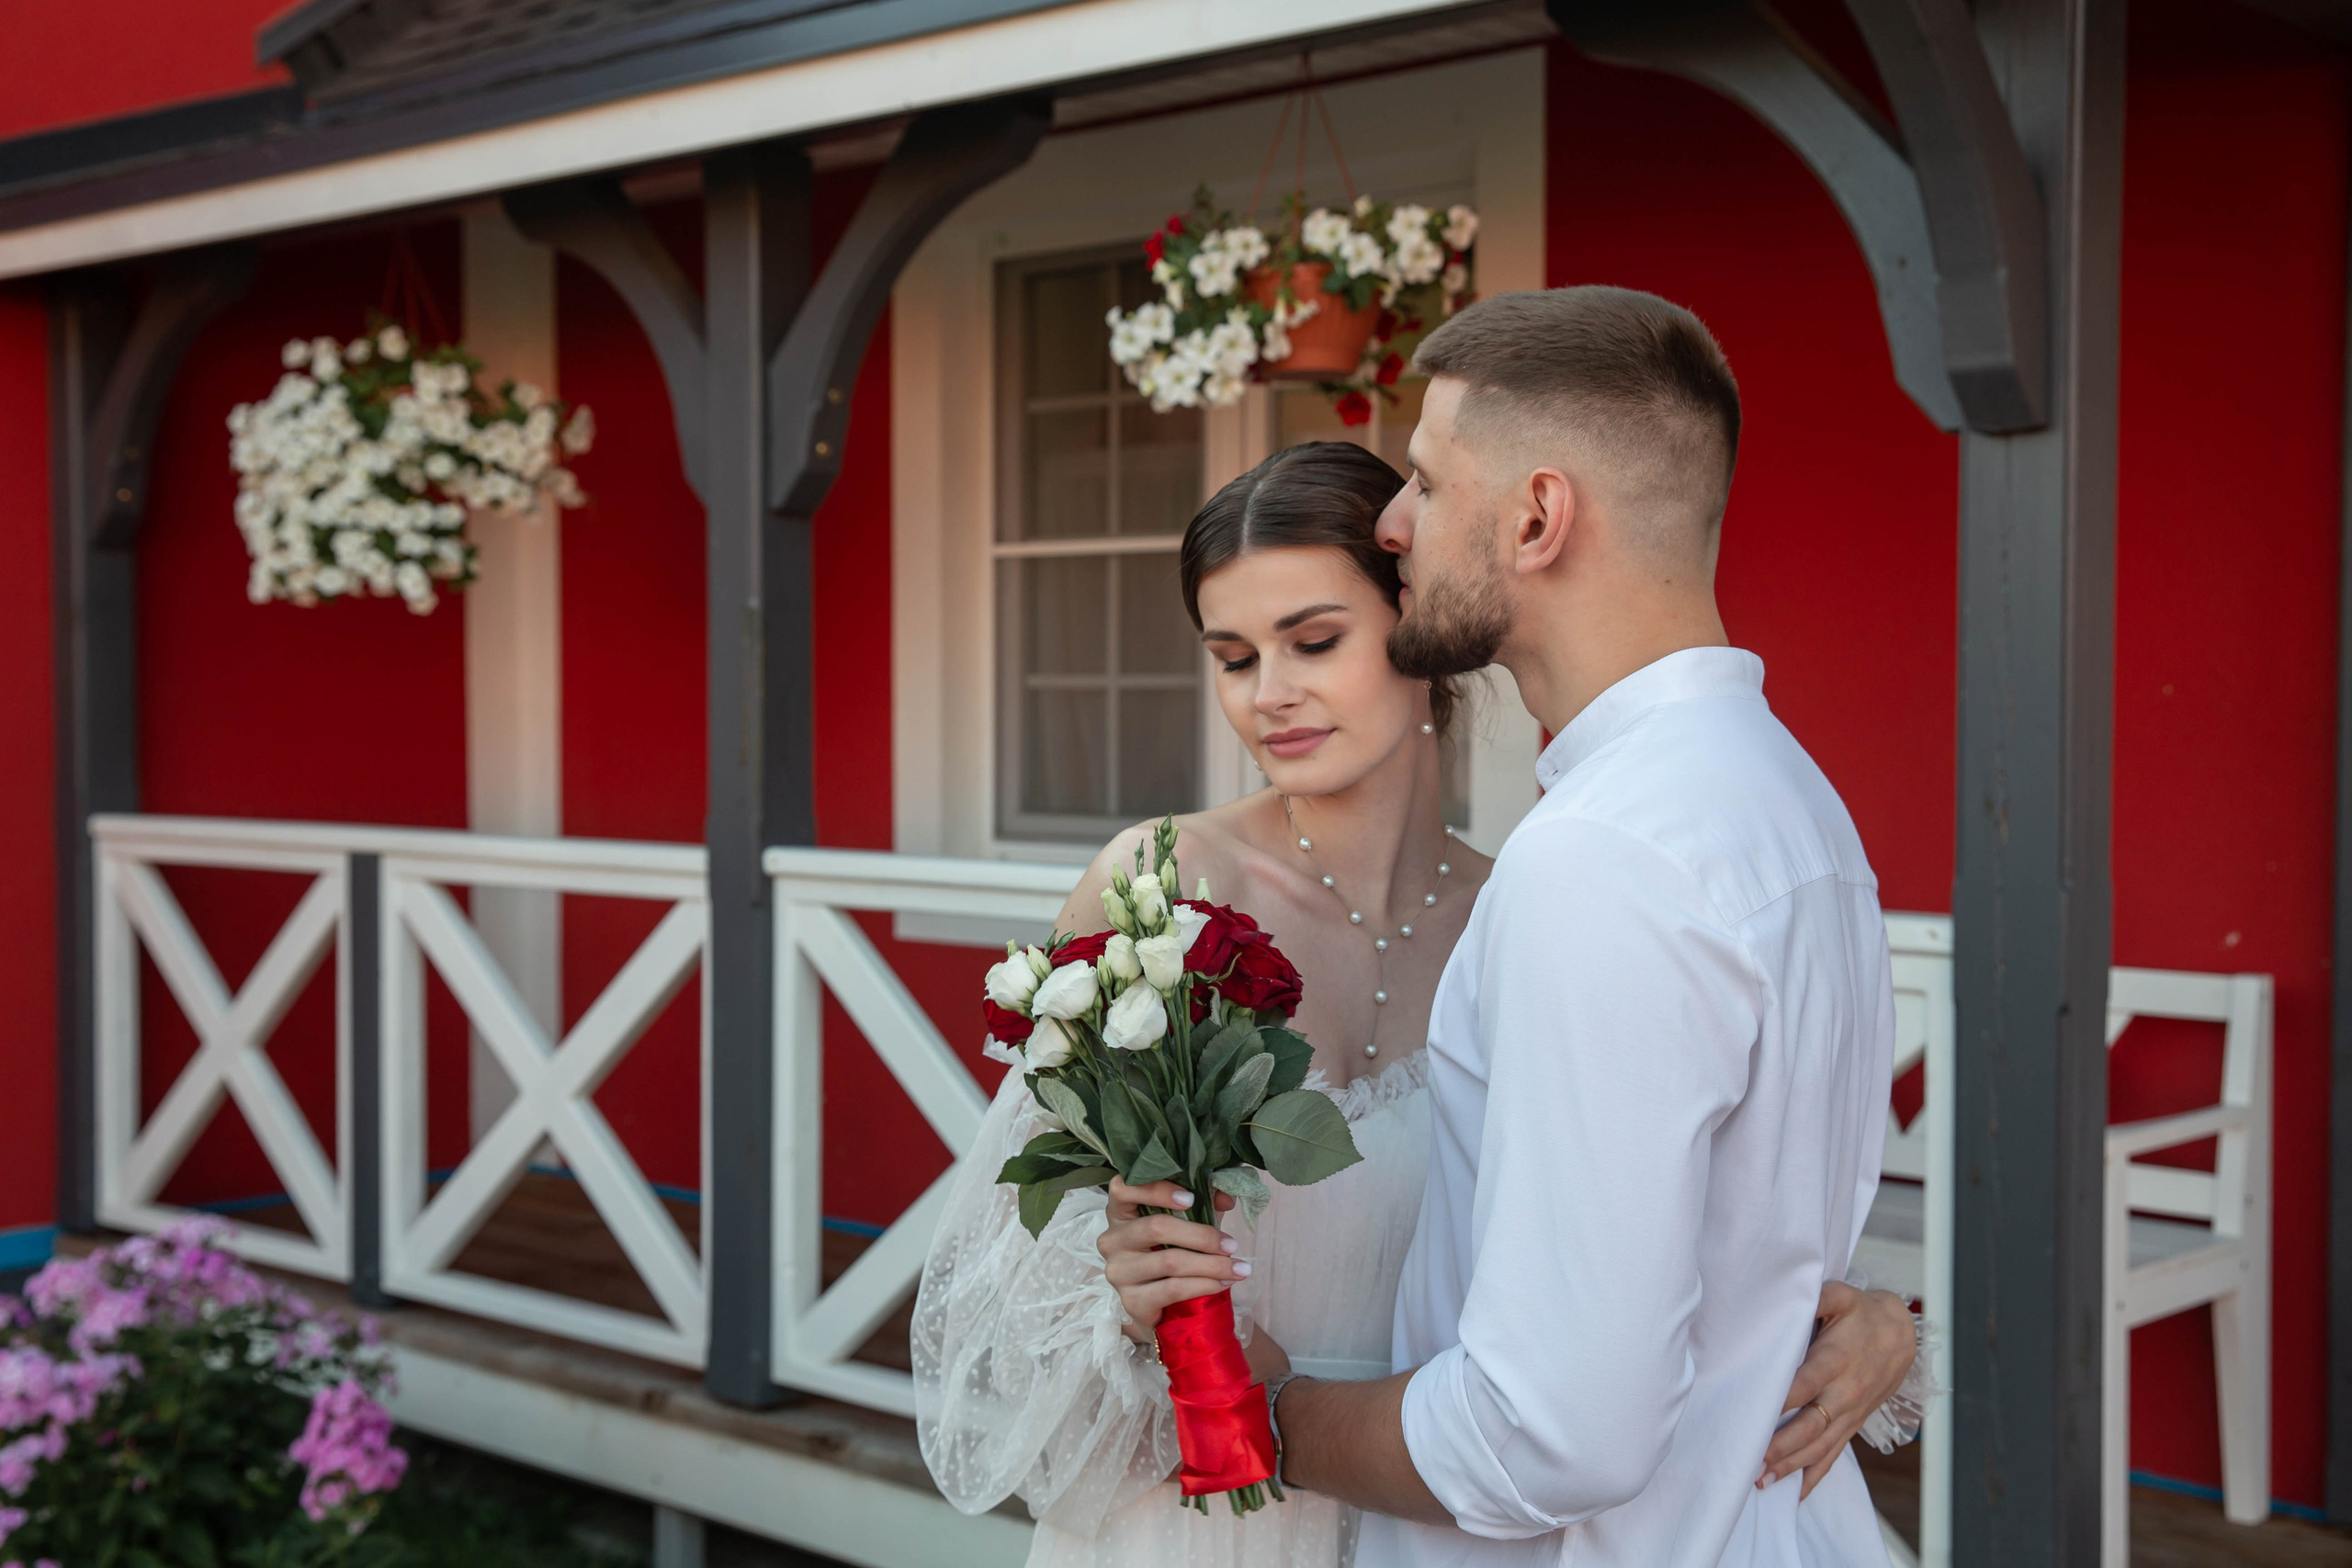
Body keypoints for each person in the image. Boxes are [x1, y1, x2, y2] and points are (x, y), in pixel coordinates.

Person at [913, 431, 1927, 1568]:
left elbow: (1649, 1225)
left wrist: (1871, 1316)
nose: (1270, 696)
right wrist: (1124, 1292)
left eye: (1314, 640)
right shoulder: (1159, 893)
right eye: (1233, 655)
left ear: (1421, 632)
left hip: (1455, 1514)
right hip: (1210, 1511)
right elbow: (1010, 1280)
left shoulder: (1534, 909)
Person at [1243, 288, 1904, 1566]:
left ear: (1538, 516)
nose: (1392, 524)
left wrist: (1273, 1413)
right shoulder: (1790, 801)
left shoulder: (1602, 856)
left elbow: (1550, 1435)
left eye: (1427, 483)